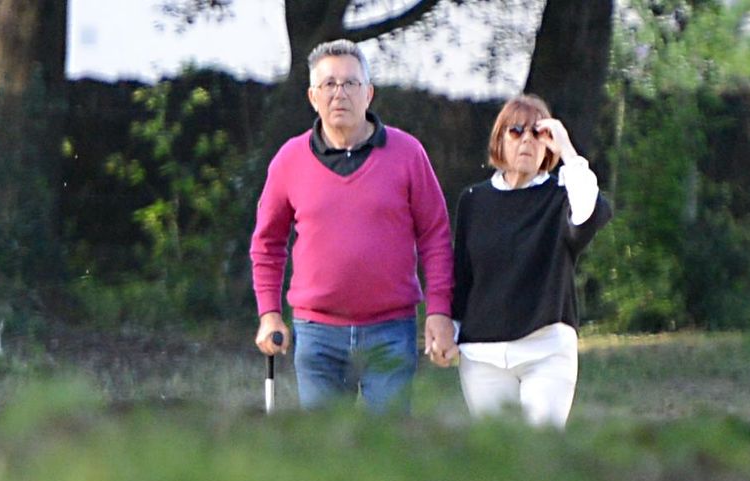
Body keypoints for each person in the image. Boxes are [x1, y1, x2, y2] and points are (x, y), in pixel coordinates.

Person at [250, 39, 457, 413]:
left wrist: (439, 312)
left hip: (390, 330)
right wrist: (269, 314)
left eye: (350, 83)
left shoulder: (408, 153)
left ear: (369, 93)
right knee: (326, 444)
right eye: (328, 84)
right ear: (313, 97)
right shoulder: (289, 160)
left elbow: (436, 236)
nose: (339, 93)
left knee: (387, 442)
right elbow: (267, 243)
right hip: (317, 334)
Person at [450, 94, 612, 428]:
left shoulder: (559, 197)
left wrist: (567, 150)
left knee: (541, 451)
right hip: (482, 356)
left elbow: (590, 212)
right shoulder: (474, 200)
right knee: (498, 453)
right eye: (516, 131)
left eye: (537, 133)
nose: (526, 140)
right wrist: (449, 330)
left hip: (546, 349)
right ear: (500, 140)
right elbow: (463, 275)